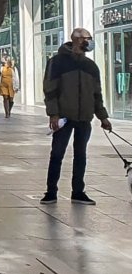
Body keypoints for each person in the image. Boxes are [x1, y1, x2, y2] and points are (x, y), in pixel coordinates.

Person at [42, 29, 112, 205]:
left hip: (84, 118)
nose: (90, 41)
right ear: (78, 40)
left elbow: (97, 94)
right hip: (64, 117)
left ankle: (78, 192)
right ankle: (51, 192)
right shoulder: (56, 62)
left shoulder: (91, 66)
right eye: (88, 39)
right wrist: (54, 114)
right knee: (57, 154)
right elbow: (50, 89)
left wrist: (103, 117)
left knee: (81, 154)